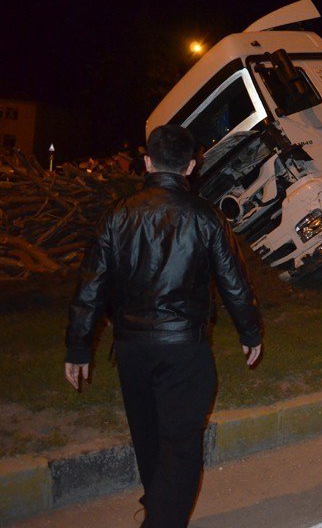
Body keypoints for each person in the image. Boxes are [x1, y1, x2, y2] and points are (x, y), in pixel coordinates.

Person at [64, 125, 263, 527]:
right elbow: (234, 283)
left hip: (132, 350)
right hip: (183, 351)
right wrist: (250, 332)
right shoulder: (206, 217)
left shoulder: (117, 214)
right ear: (190, 166)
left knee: (150, 438)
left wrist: (78, 346)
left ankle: (157, 508)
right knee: (179, 448)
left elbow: (91, 285)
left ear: (148, 162)